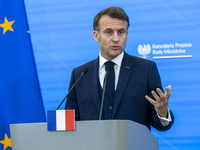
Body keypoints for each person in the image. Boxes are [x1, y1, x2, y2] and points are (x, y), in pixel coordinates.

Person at [65, 7, 174, 131]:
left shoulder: (146, 69)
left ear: (127, 35)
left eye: (121, 32)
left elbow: (160, 124)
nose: (116, 39)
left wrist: (162, 113)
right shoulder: (80, 74)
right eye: (109, 32)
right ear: (96, 36)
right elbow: (71, 122)